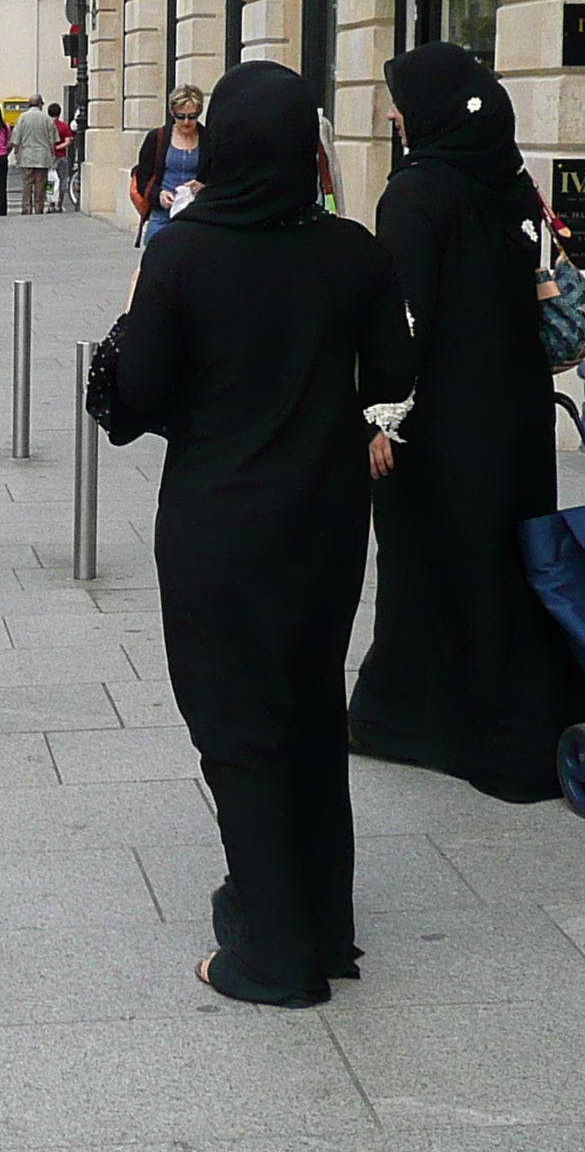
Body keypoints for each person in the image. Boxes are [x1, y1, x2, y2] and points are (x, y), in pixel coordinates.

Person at [104, 62, 413, 1007]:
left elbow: (134, 399)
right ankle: (321, 924)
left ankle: (272, 954)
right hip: (324, 524)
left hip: (219, 524)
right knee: (309, 709)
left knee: (236, 726)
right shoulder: (353, 252)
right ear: (306, 148)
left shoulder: (185, 253)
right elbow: (393, 376)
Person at [349, 41, 585, 804]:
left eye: (399, 100)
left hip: (442, 426)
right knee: (508, 564)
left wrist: (381, 418)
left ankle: (420, 721)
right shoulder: (511, 183)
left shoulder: (416, 194)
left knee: (429, 564)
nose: (392, 112)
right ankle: (523, 715)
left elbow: (403, 320)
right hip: (515, 418)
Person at [131, 86, 208, 239]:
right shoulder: (157, 138)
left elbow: (220, 176)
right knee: (156, 260)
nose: (186, 122)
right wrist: (159, 195)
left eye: (192, 116)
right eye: (181, 116)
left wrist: (203, 187)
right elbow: (143, 178)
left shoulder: (208, 140)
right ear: (172, 112)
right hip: (162, 216)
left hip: (197, 216)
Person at [11, 99, 58, 214]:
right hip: (42, 156)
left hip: (26, 155)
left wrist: (16, 152)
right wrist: (52, 155)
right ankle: (39, 207)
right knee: (40, 184)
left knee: (27, 184)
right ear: (40, 104)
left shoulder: (22, 118)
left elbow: (16, 139)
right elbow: (53, 140)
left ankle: (26, 207)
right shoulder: (47, 119)